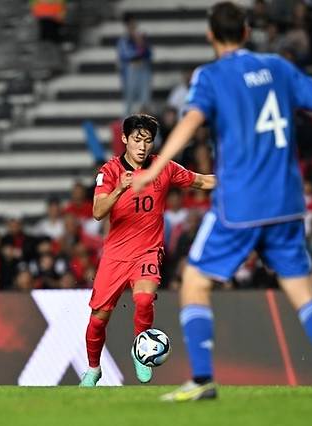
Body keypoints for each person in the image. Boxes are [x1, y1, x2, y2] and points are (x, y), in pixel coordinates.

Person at [132, 2, 312, 401]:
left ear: (211, 36)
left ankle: (201, 381)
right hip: (286, 203)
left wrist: (153, 168)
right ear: (247, 31)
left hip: (240, 204)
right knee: (302, 292)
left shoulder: (210, 76)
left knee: (194, 283)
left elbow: (191, 121)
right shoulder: (279, 68)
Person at [79, 114, 216, 387]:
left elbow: (201, 181)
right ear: (124, 139)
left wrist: (239, 181)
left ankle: (140, 355)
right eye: (137, 140)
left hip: (148, 252)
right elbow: (97, 212)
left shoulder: (162, 168)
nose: (142, 146)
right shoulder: (109, 172)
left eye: (148, 141)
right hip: (115, 256)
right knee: (99, 319)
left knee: (143, 300)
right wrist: (119, 189)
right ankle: (93, 369)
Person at [117, 13, 152, 116]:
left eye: (134, 23)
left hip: (143, 69)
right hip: (130, 72)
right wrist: (138, 50)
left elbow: (149, 54)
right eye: (130, 24)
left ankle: (146, 126)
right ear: (127, 25)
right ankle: (126, 128)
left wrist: (141, 44)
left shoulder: (141, 37)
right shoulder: (124, 40)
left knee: (145, 100)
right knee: (129, 103)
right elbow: (126, 55)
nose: (133, 25)